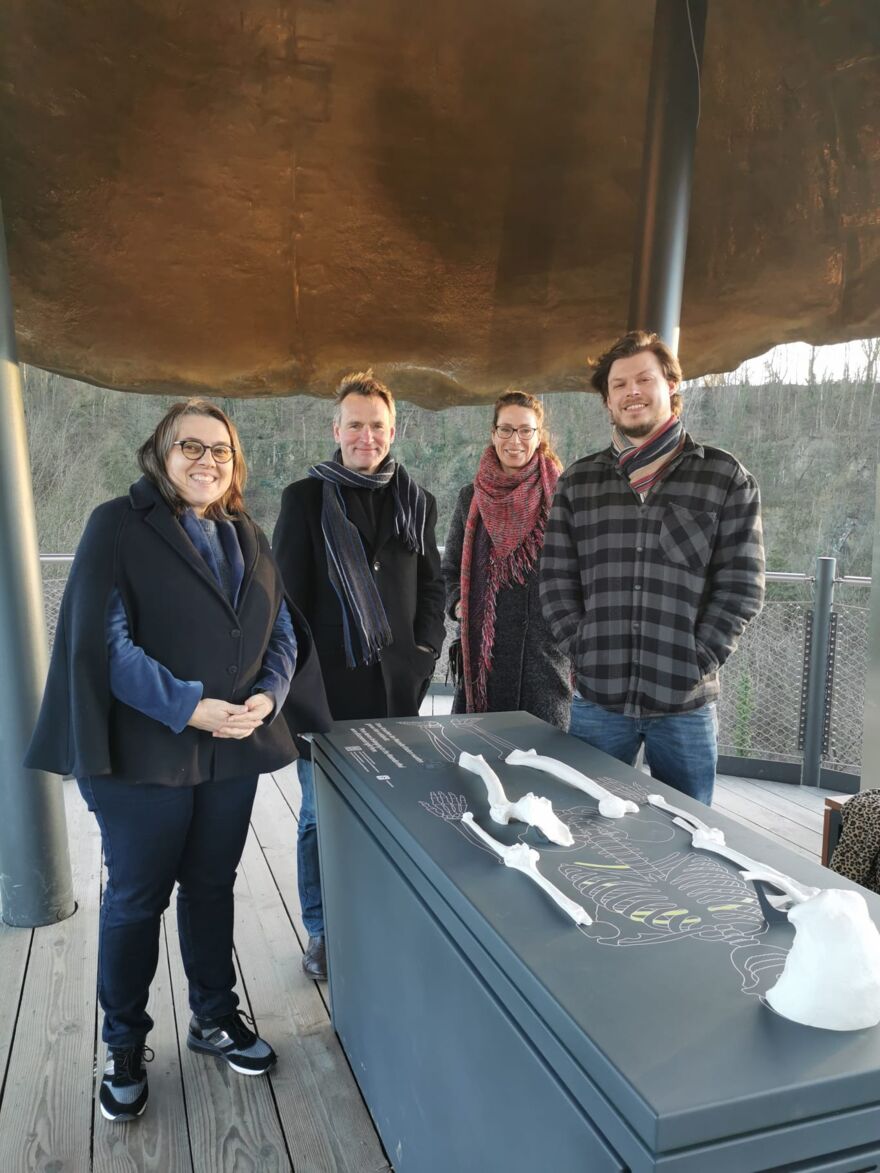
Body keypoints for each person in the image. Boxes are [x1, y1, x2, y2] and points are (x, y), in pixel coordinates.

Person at [25, 399, 330, 1123]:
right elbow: (106, 641)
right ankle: (123, 1043)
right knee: (137, 897)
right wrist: (189, 705)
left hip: (230, 752)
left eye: (220, 449)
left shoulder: (247, 531)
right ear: (161, 454)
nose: (207, 459)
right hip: (142, 756)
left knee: (212, 886)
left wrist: (269, 696)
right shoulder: (117, 525)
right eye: (189, 446)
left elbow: (282, 628)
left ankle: (213, 1015)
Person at [540, 331, 765, 805]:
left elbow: (742, 585)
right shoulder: (578, 483)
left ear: (671, 387)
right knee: (586, 825)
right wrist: (582, 650)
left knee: (688, 837)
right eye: (619, 385)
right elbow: (556, 579)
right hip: (599, 700)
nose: (632, 392)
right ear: (607, 400)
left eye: (644, 378)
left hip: (684, 703)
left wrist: (697, 658)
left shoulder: (724, 477)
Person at [273, 371, 445, 981]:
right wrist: (300, 686)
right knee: (320, 818)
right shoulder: (304, 500)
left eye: (377, 425)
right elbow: (284, 603)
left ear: (391, 430)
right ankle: (322, 932)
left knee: (390, 812)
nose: (366, 435)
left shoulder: (416, 500)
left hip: (397, 692)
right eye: (355, 424)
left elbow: (432, 586)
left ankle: (376, 917)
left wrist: (425, 649)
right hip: (324, 695)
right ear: (336, 429)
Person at [442, 390, 571, 728]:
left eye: (526, 430)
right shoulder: (471, 497)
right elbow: (450, 569)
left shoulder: (562, 496)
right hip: (484, 663)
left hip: (544, 663)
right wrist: (458, 603)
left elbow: (582, 575)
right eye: (506, 429)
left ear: (538, 436)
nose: (516, 440)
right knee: (479, 761)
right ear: (493, 433)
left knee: (542, 768)